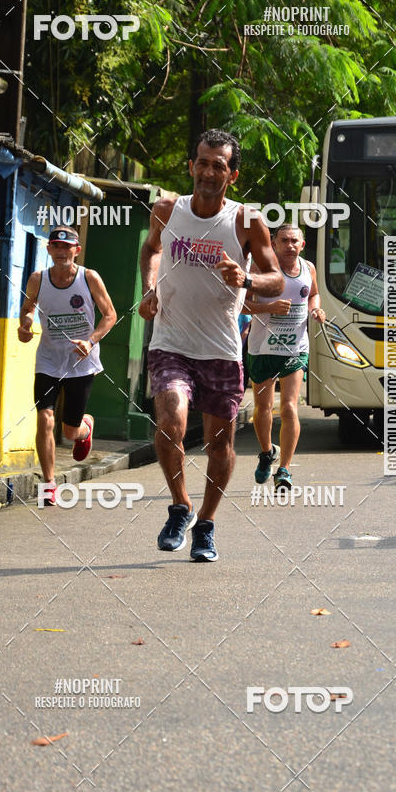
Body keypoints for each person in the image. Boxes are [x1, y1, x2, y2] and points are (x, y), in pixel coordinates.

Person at [138, 129, 284, 561]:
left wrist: (248, 279)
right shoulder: (166, 210)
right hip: (170, 342)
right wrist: (149, 288)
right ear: (191, 167)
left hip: (221, 348)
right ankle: (180, 506)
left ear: (232, 175)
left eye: (218, 165)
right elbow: (151, 250)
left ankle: (206, 524)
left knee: (220, 444)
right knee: (171, 421)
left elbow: (276, 278)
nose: (208, 171)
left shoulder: (246, 221)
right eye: (202, 162)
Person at [18, 226, 117, 504]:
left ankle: (85, 426)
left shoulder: (89, 278)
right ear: (48, 249)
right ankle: (49, 483)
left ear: (77, 250)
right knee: (44, 418)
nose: (61, 252)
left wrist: (91, 340)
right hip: (48, 360)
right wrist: (24, 326)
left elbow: (110, 315)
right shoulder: (38, 279)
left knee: (69, 431)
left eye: (67, 247)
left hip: (80, 362)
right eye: (56, 247)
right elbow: (27, 310)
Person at [245, 224, 325, 490]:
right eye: (284, 241)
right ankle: (267, 452)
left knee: (290, 406)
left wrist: (316, 311)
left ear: (302, 244)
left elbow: (313, 295)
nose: (290, 245)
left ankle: (285, 470)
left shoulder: (308, 268)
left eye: (295, 241)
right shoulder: (261, 268)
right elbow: (241, 304)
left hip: (295, 348)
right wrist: (269, 308)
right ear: (273, 243)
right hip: (263, 348)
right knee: (263, 409)